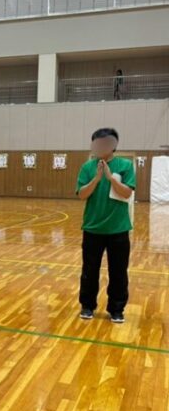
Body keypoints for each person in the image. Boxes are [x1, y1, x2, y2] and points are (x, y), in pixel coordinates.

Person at [77, 128, 135, 324]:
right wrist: (96, 179)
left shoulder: (125, 165)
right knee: (89, 271)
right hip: (92, 228)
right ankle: (87, 306)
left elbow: (127, 193)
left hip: (118, 229)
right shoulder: (87, 167)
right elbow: (82, 194)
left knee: (118, 272)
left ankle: (117, 309)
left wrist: (110, 178)